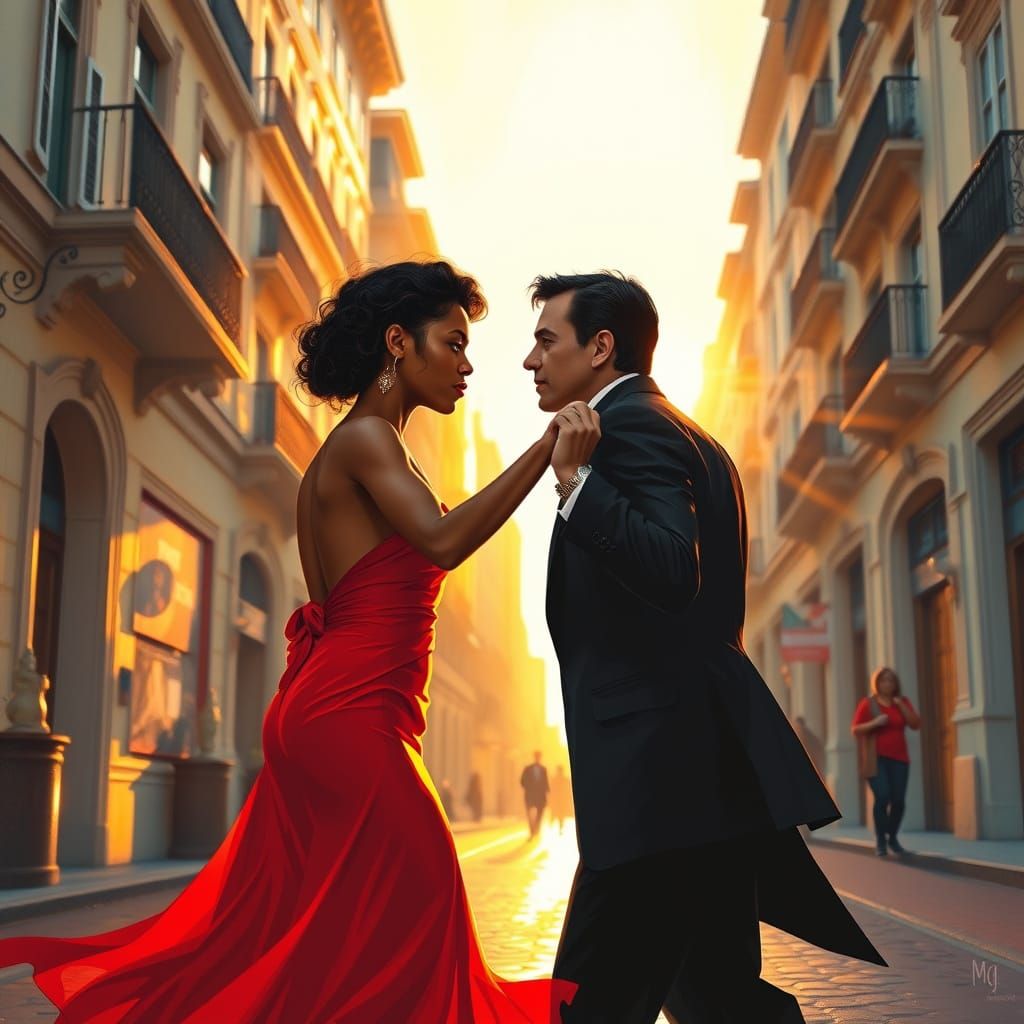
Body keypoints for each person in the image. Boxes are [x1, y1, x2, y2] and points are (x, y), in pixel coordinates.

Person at [0, 261, 578, 1022]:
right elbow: (440, 540)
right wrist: (547, 450)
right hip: (348, 719)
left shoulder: (368, 446)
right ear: (398, 343)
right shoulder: (369, 439)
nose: (469, 365)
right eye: (454, 342)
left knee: (325, 935)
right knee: (423, 901)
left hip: (333, 711)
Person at [524, 271, 887, 1024]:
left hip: (655, 783)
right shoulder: (692, 435)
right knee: (720, 998)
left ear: (600, 347)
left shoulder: (632, 432)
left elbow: (670, 565)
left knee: (586, 1005)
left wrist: (577, 484)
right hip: (698, 780)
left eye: (545, 339)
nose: (530, 360)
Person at [851, 666, 921, 857]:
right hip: (877, 760)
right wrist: (874, 723)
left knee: (898, 801)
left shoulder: (902, 702)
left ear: (895, 683)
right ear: (877, 683)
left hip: (900, 759)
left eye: (891, 680)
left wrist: (901, 706)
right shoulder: (868, 704)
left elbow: (915, 724)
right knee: (883, 797)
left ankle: (893, 837)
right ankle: (881, 841)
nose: (887, 684)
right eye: (883, 680)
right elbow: (855, 729)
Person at [520, 749, 550, 838]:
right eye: (537, 756)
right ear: (534, 757)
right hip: (530, 795)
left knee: (540, 813)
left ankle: (536, 827)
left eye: (539, 757)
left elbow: (546, 782)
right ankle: (532, 829)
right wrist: (528, 788)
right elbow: (522, 781)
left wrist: (547, 791)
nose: (538, 758)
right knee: (529, 813)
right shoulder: (527, 768)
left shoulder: (544, 769)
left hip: (540, 796)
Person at [549, 764, 573, 833]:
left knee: (559, 812)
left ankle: (557, 824)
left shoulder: (556, 779)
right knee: (561, 813)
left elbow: (551, 790)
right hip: (561, 799)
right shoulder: (564, 779)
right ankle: (559, 826)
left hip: (559, 799)